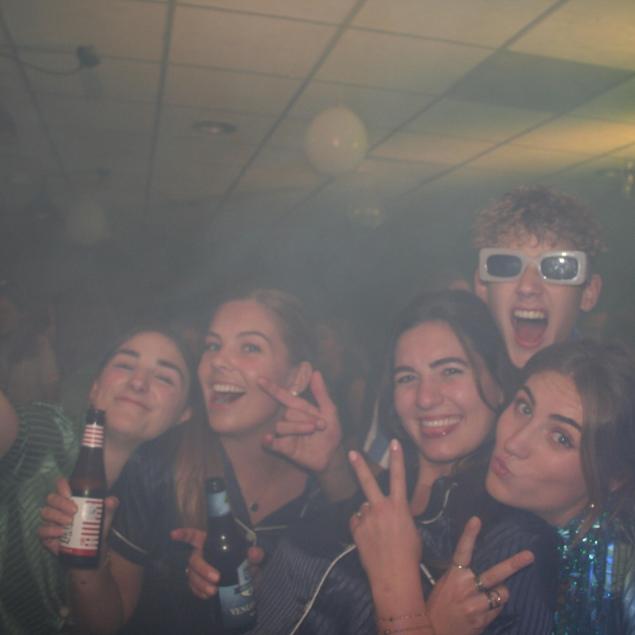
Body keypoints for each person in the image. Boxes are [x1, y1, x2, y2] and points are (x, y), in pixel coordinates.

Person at [207, 290, 557, 634]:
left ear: (499, 382)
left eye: (450, 371)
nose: (425, 398)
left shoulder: (514, 540)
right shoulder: (379, 487)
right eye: (407, 377)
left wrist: (405, 600)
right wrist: (251, 580)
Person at [47, 288, 353, 634]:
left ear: (296, 377)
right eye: (212, 345)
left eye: (250, 347)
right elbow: (102, 625)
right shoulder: (158, 463)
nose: (218, 361)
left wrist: (335, 470)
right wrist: (87, 563)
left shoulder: (324, 488)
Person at [353, 338, 635, 634]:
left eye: (560, 437)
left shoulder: (535, 560)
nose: (514, 442)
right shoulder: (515, 529)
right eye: (524, 407)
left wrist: (396, 588)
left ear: (613, 477)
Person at [1, 325, 196, 635]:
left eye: (164, 377)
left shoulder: (153, 497)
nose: (138, 382)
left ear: (183, 415)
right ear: (94, 388)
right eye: (125, 365)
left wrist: (90, 561)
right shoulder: (46, 434)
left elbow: (105, 626)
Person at [473, 185, 604, 369]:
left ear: (588, 293)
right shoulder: (460, 381)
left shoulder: (614, 387)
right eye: (507, 266)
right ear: (482, 286)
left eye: (557, 268)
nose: (527, 287)